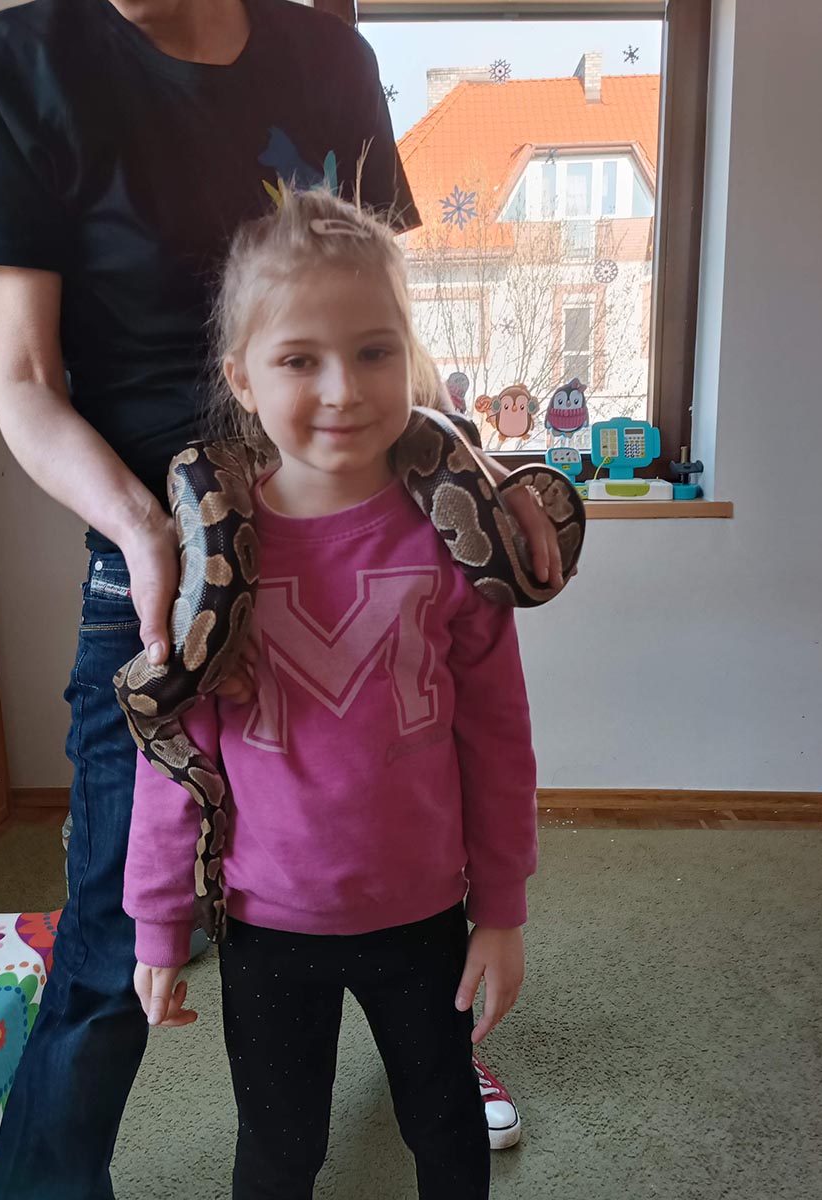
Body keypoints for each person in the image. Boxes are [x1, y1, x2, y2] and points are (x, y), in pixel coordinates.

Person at [0, 1, 562, 1194]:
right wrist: (149, 537)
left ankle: (436, 1035)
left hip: (369, 521)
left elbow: (375, 308)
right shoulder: (25, 62)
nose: (338, 382)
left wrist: (472, 472)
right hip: (170, 563)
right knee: (116, 936)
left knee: (400, 803)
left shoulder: (327, 53)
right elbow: (20, 376)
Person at [124, 186, 538, 1199]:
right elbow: (174, 753)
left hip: (424, 911)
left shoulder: (451, 542)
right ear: (243, 378)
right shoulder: (206, 567)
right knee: (278, 1149)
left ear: (412, 358)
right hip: (267, 920)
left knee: (446, 1125)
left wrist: (502, 908)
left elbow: (497, 737)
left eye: (374, 350)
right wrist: (158, 919)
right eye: (301, 360)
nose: (344, 389)